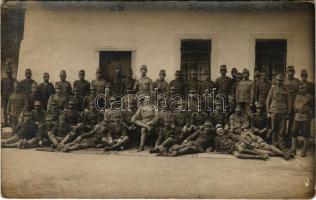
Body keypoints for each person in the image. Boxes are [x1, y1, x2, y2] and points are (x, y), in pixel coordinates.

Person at [215, 125, 290, 160]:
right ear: (216, 132)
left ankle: (283, 154)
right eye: (218, 131)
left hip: (248, 145)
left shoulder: (230, 134)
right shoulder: (217, 139)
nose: (220, 132)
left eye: (221, 130)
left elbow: (237, 138)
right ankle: (259, 156)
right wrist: (226, 151)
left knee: (268, 149)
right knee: (238, 155)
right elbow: (218, 149)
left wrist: (238, 143)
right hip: (233, 150)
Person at [266, 74, 291, 151]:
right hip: (274, 110)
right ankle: (274, 144)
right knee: (274, 128)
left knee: (282, 130)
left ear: (283, 81)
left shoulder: (285, 89)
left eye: (280, 80)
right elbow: (268, 101)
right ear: (275, 81)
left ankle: (282, 145)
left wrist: (288, 113)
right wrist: (268, 112)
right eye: (277, 80)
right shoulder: (272, 89)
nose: (279, 82)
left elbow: (289, 101)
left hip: (283, 111)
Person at [290, 84, 314, 157]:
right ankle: (293, 150)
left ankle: (304, 151)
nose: (302, 89)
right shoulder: (297, 96)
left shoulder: (310, 97)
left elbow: (313, 108)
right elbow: (294, 106)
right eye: (300, 88)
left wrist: (310, 117)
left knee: (306, 135)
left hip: (305, 118)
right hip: (297, 117)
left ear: (306, 89)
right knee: (293, 133)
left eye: (303, 88)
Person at [283, 66, 301, 138]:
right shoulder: (283, 81)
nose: (290, 73)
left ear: (294, 73)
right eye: (289, 72)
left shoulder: (297, 82)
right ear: (286, 73)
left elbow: (299, 93)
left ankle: (290, 137)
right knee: (283, 123)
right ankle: (283, 138)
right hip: (285, 105)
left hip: (294, 105)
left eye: (292, 72)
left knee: (292, 122)